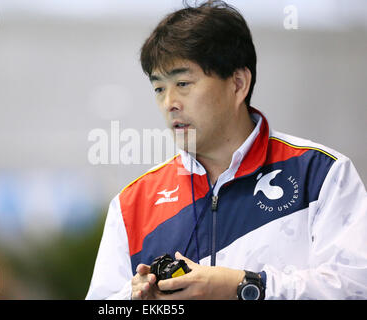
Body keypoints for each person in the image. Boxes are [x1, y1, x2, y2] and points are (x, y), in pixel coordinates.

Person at [85, 0, 367, 300]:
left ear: (238, 84)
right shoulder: (131, 204)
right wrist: (136, 302)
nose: (170, 103)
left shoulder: (322, 173)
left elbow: (355, 287)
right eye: (159, 88)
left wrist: (245, 286)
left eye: (182, 83)